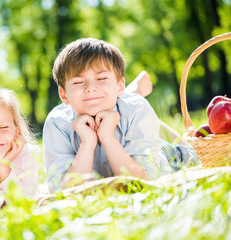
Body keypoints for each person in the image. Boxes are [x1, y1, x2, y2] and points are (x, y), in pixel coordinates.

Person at [43, 38, 197, 193]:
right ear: (63, 95)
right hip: (130, 128)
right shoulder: (57, 123)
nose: (90, 88)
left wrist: (108, 138)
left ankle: (133, 91)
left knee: (199, 156)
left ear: (120, 85)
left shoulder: (137, 109)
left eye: (102, 78)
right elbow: (62, 192)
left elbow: (143, 183)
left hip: (171, 158)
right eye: (78, 82)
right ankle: (134, 89)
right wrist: (87, 143)